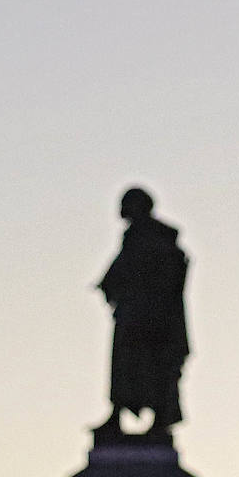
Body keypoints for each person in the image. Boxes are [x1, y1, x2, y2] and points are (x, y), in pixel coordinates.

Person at [96, 186, 190, 440]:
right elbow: (119, 270)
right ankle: (117, 413)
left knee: (151, 367)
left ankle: (158, 417)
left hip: (151, 319)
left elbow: (166, 276)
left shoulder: (155, 238)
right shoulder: (135, 236)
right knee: (126, 367)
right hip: (134, 315)